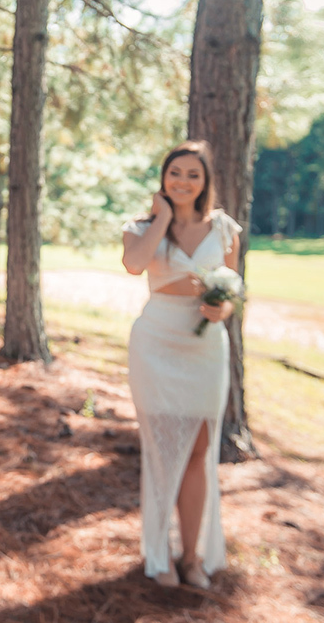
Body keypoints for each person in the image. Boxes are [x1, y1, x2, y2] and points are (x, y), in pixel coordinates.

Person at [120, 140, 241, 589]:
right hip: (156, 344)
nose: (183, 181)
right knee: (162, 451)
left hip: (205, 348)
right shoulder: (139, 228)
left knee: (198, 452)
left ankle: (192, 557)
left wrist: (221, 311)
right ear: (163, 178)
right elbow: (135, 265)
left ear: (206, 181)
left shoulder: (225, 228)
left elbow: (231, 288)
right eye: (175, 173)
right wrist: (164, 218)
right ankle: (160, 555)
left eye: (193, 174)